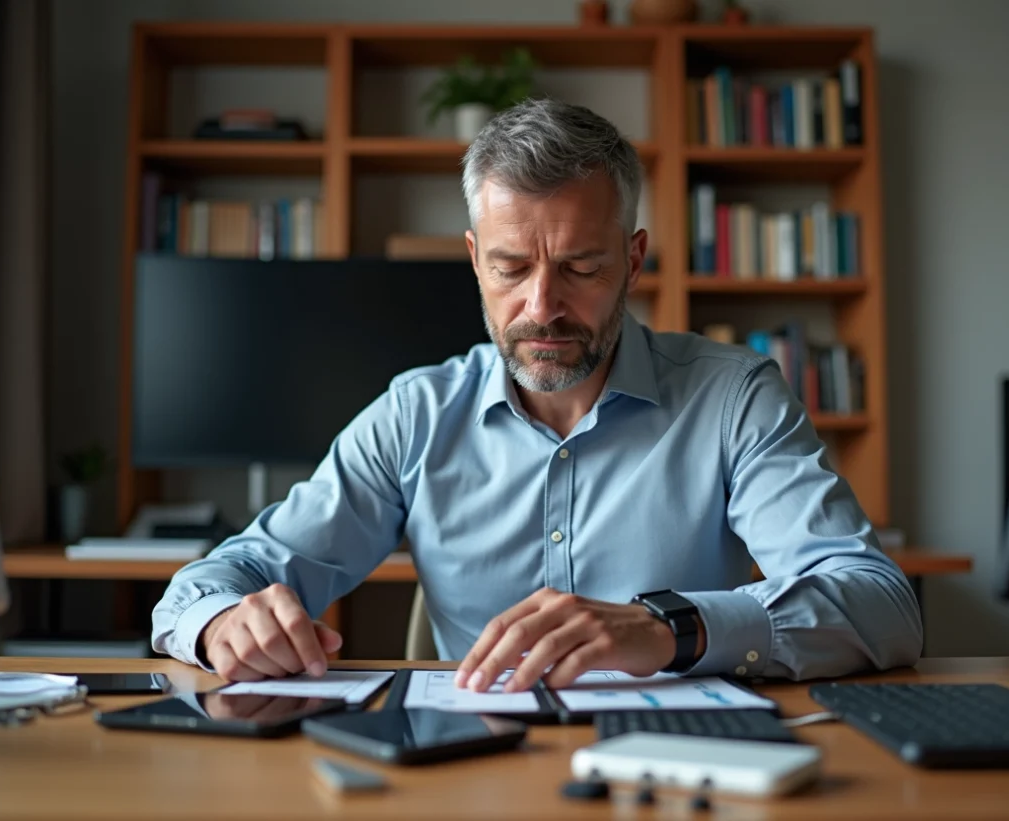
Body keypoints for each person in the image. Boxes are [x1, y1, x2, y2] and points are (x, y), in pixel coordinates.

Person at [151, 99, 923, 692]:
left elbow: (881, 605)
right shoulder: (416, 416)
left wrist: (668, 628)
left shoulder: (734, 398)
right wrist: (223, 621)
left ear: (634, 260)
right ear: (474, 259)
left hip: (683, 769)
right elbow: (210, 583)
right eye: (511, 268)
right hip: (472, 768)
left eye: (582, 268)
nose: (542, 306)